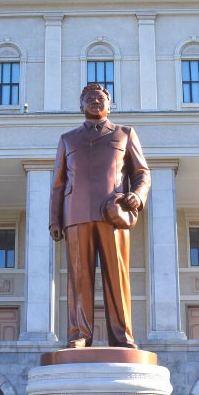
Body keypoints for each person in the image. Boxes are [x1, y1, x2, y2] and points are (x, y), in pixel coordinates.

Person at [49, 83, 151, 348]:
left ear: (110, 105)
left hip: (112, 214)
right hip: (76, 215)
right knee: (78, 278)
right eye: (89, 98)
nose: (95, 101)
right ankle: (79, 334)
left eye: (100, 98)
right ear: (80, 106)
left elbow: (142, 173)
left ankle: (122, 336)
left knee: (117, 276)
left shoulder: (125, 134)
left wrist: (137, 196)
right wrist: (55, 220)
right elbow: (58, 183)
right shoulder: (67, 139)